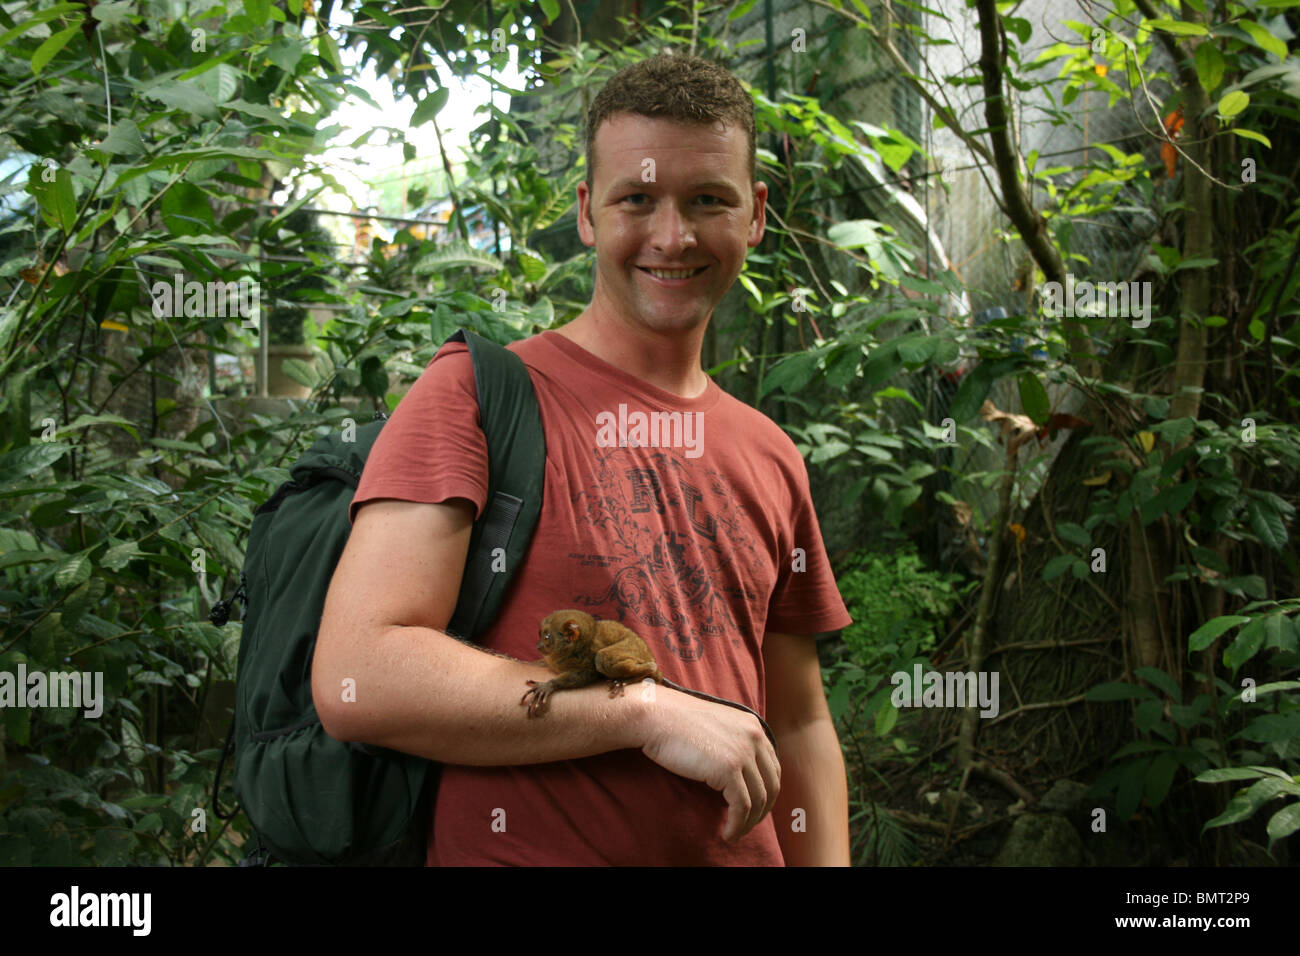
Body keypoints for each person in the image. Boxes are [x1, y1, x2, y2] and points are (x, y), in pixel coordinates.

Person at [312, 53, 852, 865]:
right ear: (588, 214)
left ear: (756, 215)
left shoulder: (770, 454)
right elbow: (359, 675)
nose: (673, 236)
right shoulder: (476, 396)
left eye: (708, 200)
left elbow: (802, 723)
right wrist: (645, 710)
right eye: (637, 199)